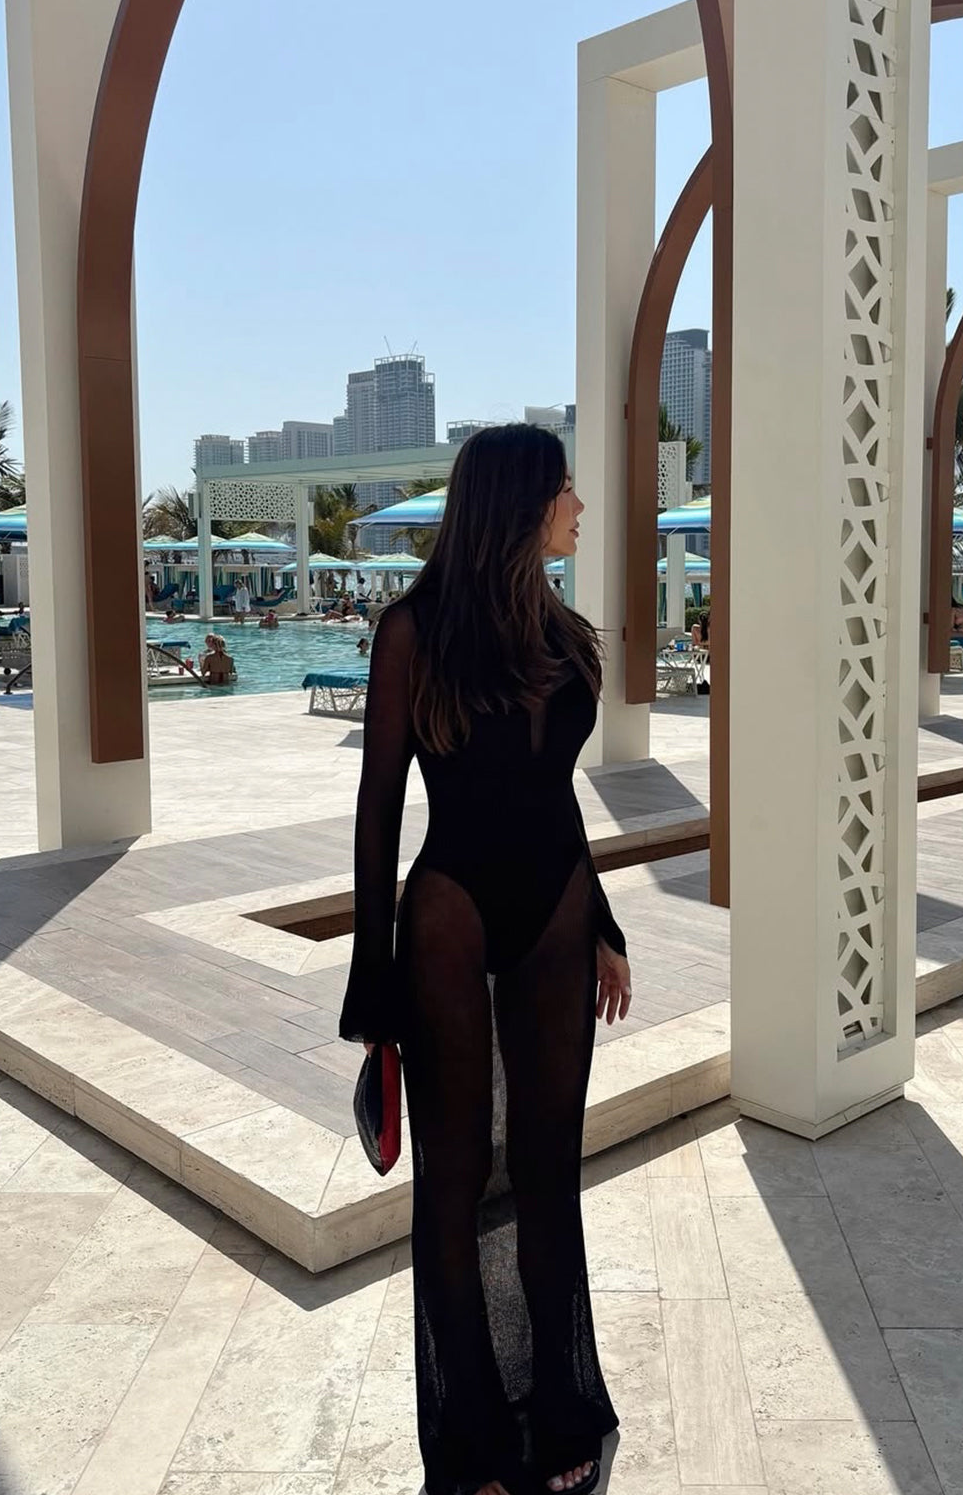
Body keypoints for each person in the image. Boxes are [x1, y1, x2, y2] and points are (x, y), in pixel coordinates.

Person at [340, 424, 631, 1495]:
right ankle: (473, 1444)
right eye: (567, 492)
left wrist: (601, 920)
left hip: (553, 903)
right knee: (455, 1187)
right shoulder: (411, 632)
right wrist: (373, 983)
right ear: (521, 504)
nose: (580, 509)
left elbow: (556, 795)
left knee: (551, 1174)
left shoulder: (566, 635)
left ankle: (555, 1412)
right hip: (451, 909)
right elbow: (379, 811)